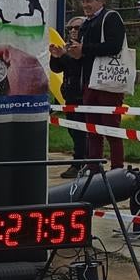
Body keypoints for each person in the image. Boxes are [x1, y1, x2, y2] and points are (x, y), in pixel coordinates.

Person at [50, 0, 127, 173]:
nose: (86, 5)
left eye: (90, 0)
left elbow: (114, 46)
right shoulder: (86, 24)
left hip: (107, 82)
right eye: (84, 2)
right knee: (91, 129)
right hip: (88, 82)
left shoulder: (111, 17)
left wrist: (85, 49)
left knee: (111, 128)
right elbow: (79, 57)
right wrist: (64, 54)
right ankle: (93, 165)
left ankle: (117, 167)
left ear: (101, 0)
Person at [50, 16, 88, 178]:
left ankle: (80, 162)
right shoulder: (67, 47)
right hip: (70, 95)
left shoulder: (85, 48)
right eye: (70, 28)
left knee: (80, 132)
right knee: (73, 130)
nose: (72, 31)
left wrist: (64, 56)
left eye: (77, 28)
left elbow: (77, 67)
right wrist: (55, 56)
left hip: (82, 96)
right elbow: (57, 69)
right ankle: (84, 160)